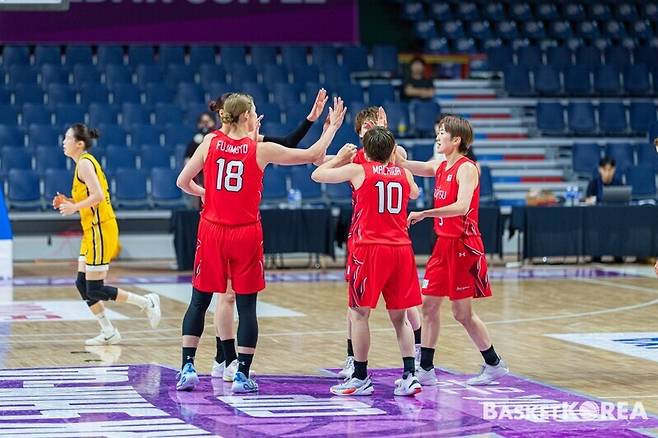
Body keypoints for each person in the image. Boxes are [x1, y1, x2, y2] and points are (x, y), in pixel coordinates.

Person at [175, 93, 346, 393]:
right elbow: (313, 154)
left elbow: (182, 182)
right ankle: (241, 374)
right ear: (246, 117)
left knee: (199, 301)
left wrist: (207, 193)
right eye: (254, 111)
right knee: (246, 305)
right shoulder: (259, 149)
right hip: (245, 234)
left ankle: (188, 366)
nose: (257, 115)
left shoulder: (210, 142)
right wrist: (331, 127)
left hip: (212, 230)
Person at [206, 89, 329, 382]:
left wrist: (310, 119)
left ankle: (222, 358)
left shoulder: (234, 142)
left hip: (222, 225)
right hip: (226, 223)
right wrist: (330, 127)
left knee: (225, 297)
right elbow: (306, 154)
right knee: (227, 298)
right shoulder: (221, 142)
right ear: (239, 114)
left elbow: (287, 143)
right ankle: (227, 358)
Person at [312, 127, 422, 396]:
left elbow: (317, 174)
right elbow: (415, 194)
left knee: (360, 314)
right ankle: (410, 375)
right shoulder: (404, 174)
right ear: (392, 151)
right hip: (401, 250)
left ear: (367, 152)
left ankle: (360, 376)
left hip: (370, 249)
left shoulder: (359, 170)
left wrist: (340, 158)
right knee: (400, 318)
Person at [402, 115, 508, 386]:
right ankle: (426, 369)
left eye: (442, 133)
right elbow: (412, 165)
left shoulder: (467, 168)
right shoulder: (441, 166)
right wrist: (389, 150)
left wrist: (425, 213)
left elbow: (462, 207)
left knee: (462, 313)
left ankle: (494, 363)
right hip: (442, 245)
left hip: (463, 245)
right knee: (429, 306)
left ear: (456, 139)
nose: (437, 137)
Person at [53, 123, 161, 346]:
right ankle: (109, 331)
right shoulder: (82, 164)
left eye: (67, 138)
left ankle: (146, 302)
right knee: (82, 284)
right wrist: (69, 202)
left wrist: (73, 208)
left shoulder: (84, 164)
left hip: (101, 229)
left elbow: (99, 196)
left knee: (95, 289)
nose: (63, 142)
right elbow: (89, 199)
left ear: (79, 144)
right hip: (91, 230)